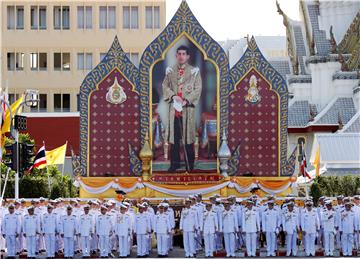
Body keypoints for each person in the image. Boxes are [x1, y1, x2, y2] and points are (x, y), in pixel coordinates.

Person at [162, 45, 202, 172]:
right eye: (179, 53)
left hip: (187, 110)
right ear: (176, 56)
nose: (181, 56)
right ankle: (174, 164)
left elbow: (198, 89)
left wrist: (186, 100)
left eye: (183, 54)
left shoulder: (194, 72)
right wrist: (173, 96)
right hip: (174, 110)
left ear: (188, 56)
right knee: (174, 140)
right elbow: (165, 86)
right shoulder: (171, 71)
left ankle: (189, 165)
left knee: (188, 139)